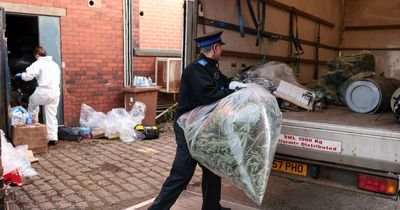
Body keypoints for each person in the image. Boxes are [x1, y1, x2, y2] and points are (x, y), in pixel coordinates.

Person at [148, 30, 246, 210]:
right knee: (182, 172)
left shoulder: (211, 66)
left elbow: (223, 82)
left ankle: (211, 206)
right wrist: (234, 93)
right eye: (220, 48)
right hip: (187, 125)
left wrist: (238, 85)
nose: (221, 51)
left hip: (202, 124)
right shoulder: (195, 69)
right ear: (215, 48)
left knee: (212, 166)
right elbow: (209, 95)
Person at [15, 46, 61, 145]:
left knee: (32, 104)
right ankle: (53, 138)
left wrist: (21, 75)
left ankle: (33, 127)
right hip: (55, 92)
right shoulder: (54, 64)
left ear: (36, 54)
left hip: (43, 91)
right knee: (51, 115)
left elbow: (28, 77)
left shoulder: (37, 64)